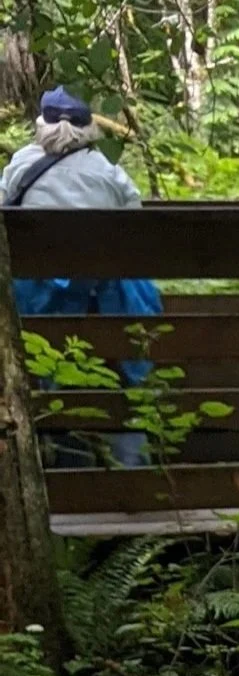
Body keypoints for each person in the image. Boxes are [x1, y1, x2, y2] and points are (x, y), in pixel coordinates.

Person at [3, 86, 158, 470]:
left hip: (36, 313)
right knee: (118, 378)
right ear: (90, 129)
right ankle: (130, 472)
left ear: (42, 126)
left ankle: (58, 466)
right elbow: (138, 231)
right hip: (106, 309)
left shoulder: (21, 165)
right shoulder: (108, 172)